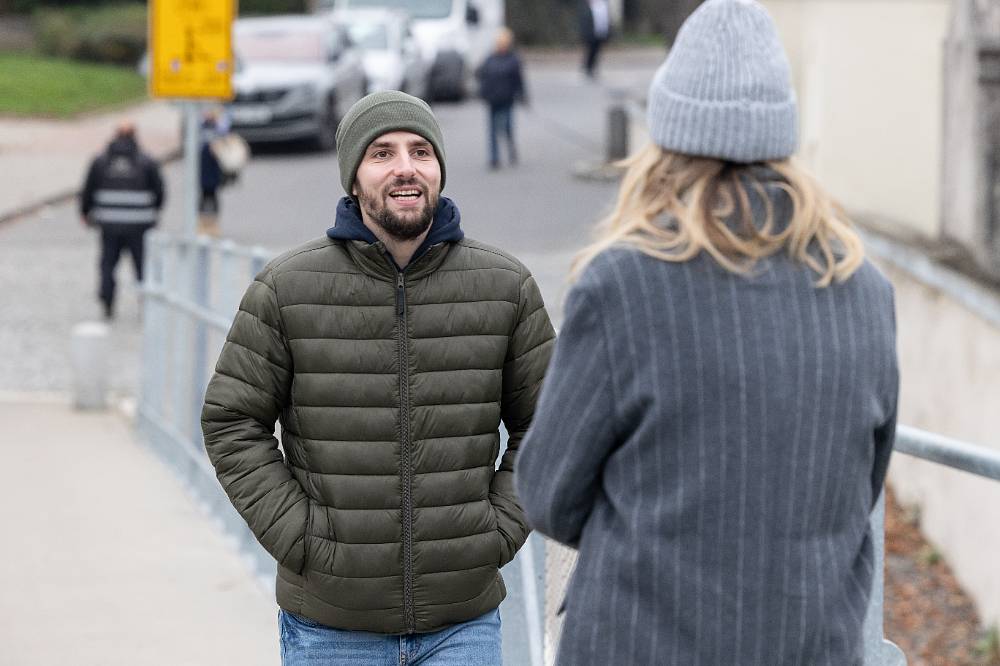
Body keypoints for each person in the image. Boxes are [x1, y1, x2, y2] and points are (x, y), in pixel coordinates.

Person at [514, 1, 899, 665]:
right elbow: (860, 489)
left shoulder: (623, 285)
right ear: (783, 137)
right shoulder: (865, 291)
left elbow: (548, 494)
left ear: (667, 140)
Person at [200, 91, 555, 665]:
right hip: (331, 626)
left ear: (439, 168)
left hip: (461, 624)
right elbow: (231, 421)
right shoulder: (286, 288)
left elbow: (549, 426)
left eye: (420, 151)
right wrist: (302, 540)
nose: (406, 167)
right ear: (354, 178)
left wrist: (495, 533)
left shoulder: (505, 286)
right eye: (382, 153)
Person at [80, 122, 165, 320]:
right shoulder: (147, 161)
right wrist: (154, 212)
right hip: (140, 226)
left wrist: (85, 213)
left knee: (108, 265)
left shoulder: (100, 161)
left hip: (109, 225)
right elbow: (159, 191)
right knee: (142, 266)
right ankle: (146, 303)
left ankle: (107, 302)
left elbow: (88, 190)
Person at [475, 27, 527, 170]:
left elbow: (519, 80)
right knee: (492, 130)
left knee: (506, 127)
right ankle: (494, 158)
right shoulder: (489, 59)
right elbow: (480, 74)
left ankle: (511, 150)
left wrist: (523, 96)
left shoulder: (513, 60)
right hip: (492, 100)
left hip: (507, 100)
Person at [198, 111, 225, 237]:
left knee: (213, 197)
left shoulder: (218, 129)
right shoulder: (200, 128)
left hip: (213, 170)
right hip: (203, 169)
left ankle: (213, 225)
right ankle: (202, 224)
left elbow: (224, 148)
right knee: (203, 198)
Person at [579, 0, 610, 79]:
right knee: (590, 51)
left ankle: (592, 68)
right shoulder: (589, 7)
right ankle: (587, 68)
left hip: (600, 33)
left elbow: (604, 21)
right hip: (591, 34)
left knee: (597, 51)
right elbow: (585, 22)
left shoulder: (603, 6)